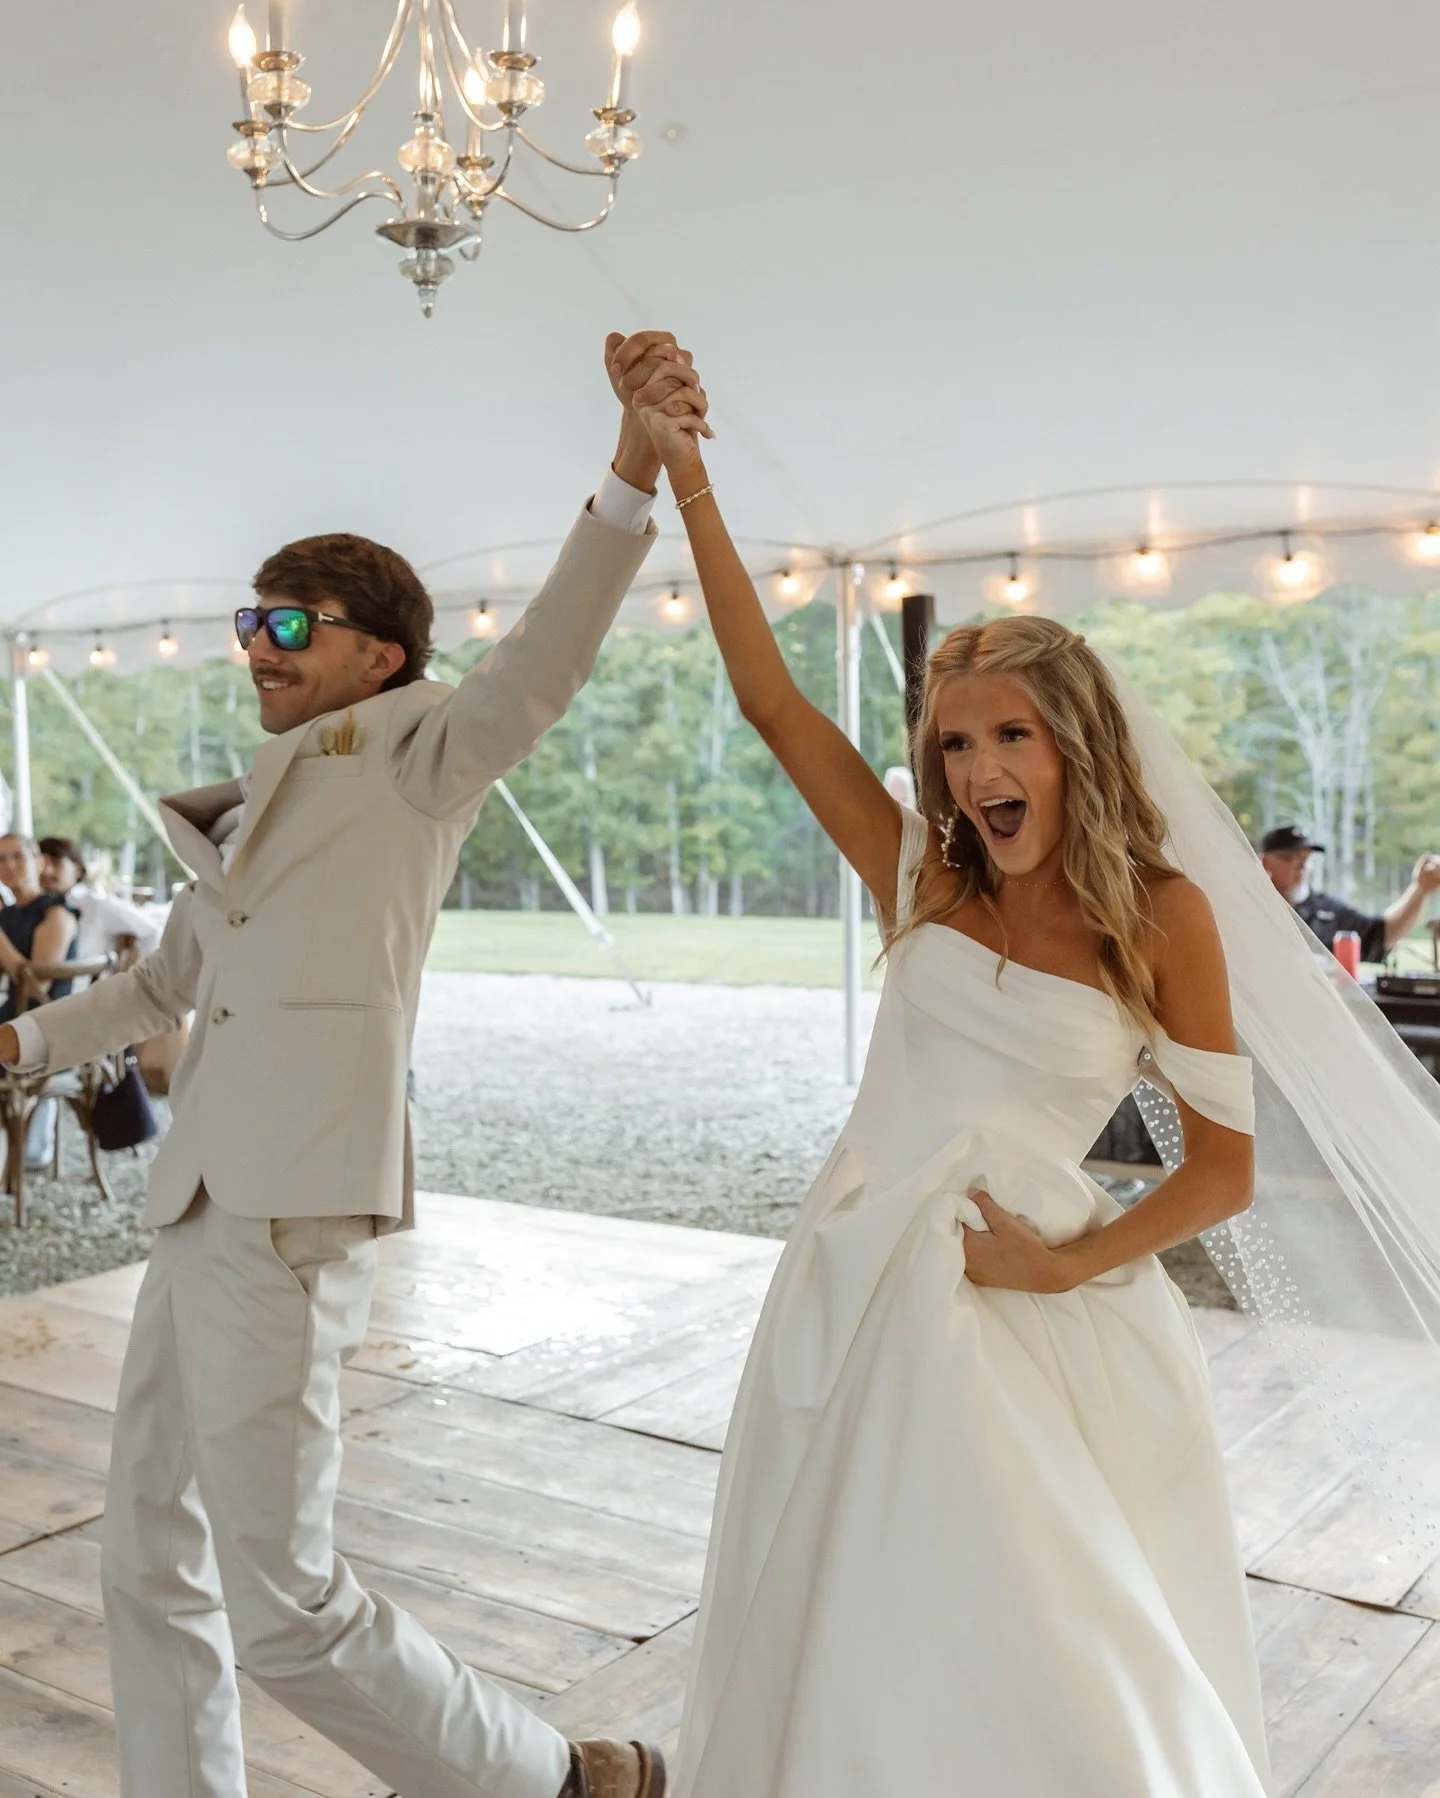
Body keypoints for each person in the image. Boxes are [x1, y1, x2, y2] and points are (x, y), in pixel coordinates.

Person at [0, 329, 698, 1798]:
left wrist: (632, 473)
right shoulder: (253, 812)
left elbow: (546, 661)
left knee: (287, 1600)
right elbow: (159, 985)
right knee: (146, 1546)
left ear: (378, 649)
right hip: (196, 1200)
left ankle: (552, 1777)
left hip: (292, 1210)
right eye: (250, 621)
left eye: (290, 624)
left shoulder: (420, 755)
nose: (257, 645)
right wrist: (16, 1038)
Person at [627, 357, 1271, 1794]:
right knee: (859, 1617)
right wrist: (685, 473)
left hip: (1033, 1304)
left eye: (1007, 736)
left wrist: (1068, 1263)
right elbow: (768, 699)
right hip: (854, 1284)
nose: (974, 766)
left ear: (1072, 747)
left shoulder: (1159, 914)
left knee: (1052, 1639)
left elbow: (1224, 1168)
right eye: (954, 741)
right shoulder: (920, 868)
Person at [0, 833, 80, 1173]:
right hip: (12, 1024)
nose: (11, 866)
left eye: (19, 856)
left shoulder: (56, 913)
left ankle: (15, 1159)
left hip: (45, 1031)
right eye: (1, 860)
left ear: (40, 862)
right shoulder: (8, 916)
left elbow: (37, 984)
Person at [1260, 822, 1440, 959]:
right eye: (1289, 857)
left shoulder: (1327, 910)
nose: (1301, 866)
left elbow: (1382, 935)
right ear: (1265, 862)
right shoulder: (1252, 907)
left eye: (1305, 858)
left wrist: (1420, 889)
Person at [38, 836, 164, 971]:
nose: (46, 871)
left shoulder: (97, 904)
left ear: (78, 870)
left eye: (56, 864)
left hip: (82, 988)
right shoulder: (32, 905)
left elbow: (151, 931)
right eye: (41, 864)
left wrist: (134, 978)